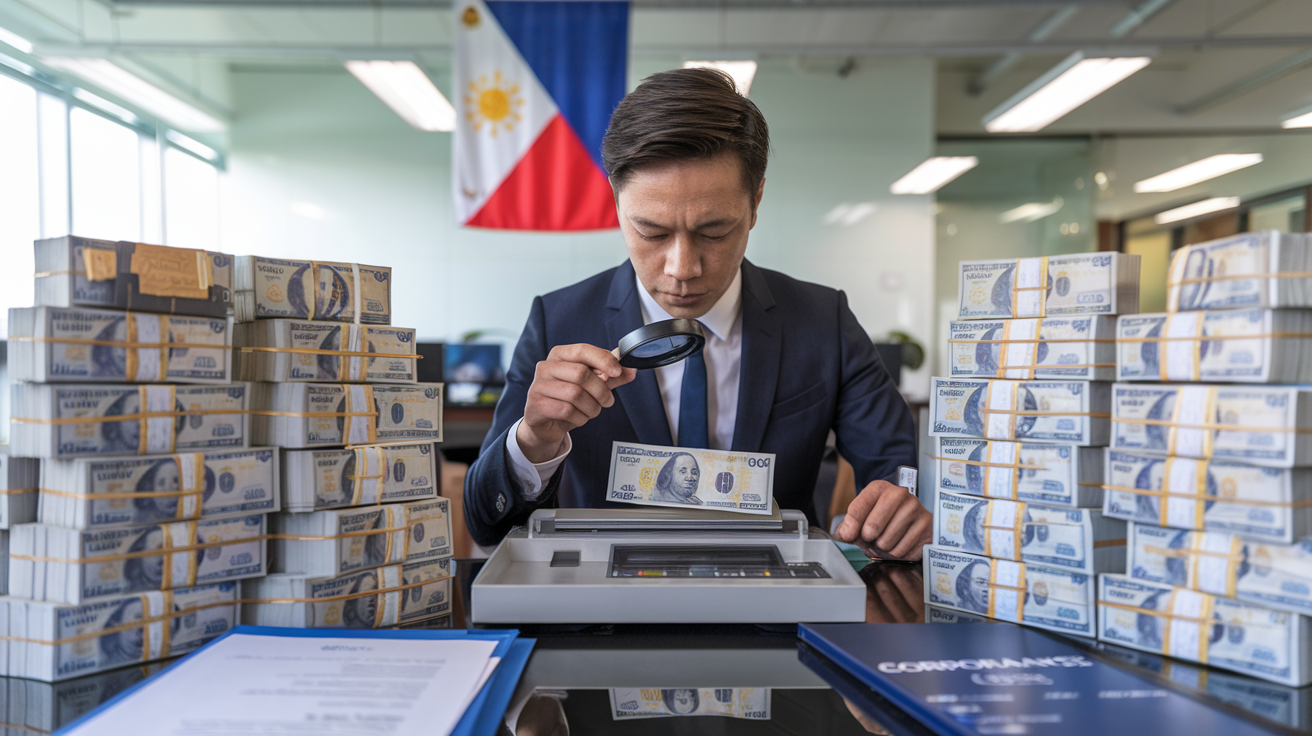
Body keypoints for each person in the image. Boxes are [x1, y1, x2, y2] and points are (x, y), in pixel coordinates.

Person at [465, 67, 931, 559]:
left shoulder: (822, 320)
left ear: (755, 203)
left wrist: (900, 503)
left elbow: (898, 470)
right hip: (603, 617)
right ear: (616, 203)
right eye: (651, 232)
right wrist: (534, 440)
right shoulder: (557, 321)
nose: (682, 268)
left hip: (774, 611)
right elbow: (485, 525)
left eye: (714, 232)